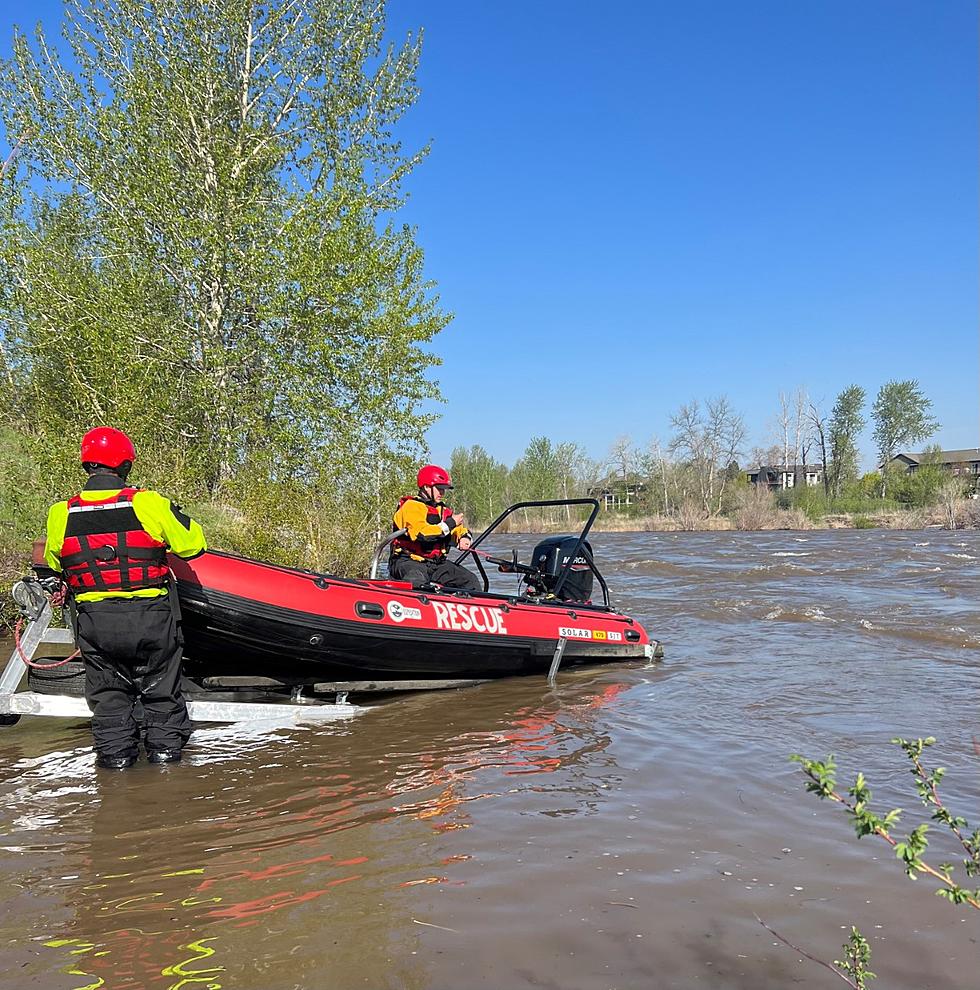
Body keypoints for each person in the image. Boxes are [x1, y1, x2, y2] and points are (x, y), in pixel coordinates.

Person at [40, 427, 207, 769]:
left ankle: (115, 773)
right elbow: (193, 545)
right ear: (125, 464)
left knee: (109, 700)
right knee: (162, 695)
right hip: (151, 618)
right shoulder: (147, 502)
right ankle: (166, 770)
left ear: (87, 464)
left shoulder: (62, 512)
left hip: (95, 621)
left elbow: (56, 561)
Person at [389, 465, 479, 591]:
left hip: (435, 564)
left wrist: (464, 537)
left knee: (470, 580)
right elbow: (422, 534)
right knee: (417, 581)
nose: (442, 493)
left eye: (444, 489)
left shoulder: (442, 510)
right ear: (426, 487)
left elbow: (459, 530)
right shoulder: (411, 507)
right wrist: (451, 523)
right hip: (408, 561)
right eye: (439, 489)